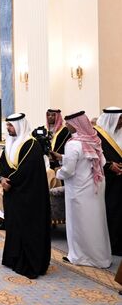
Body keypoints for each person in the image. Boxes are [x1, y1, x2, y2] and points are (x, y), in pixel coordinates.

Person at [55, 111, 112, 268]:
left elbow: (69, 170)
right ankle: (101, 257)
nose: (66, 125)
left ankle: (80, 257)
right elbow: (97, 161)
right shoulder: (94, 140)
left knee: (78, 224)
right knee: (95, 221)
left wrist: (58, 172)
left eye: (68, 123)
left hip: (79, 190)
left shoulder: (73, 144)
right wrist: (62, 158)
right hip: (96, 187)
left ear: (75, 125)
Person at [0, 113, 51, 279]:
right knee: (13, 227)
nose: (8, 128)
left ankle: (28, 262)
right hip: (12, 195)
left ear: (19, 125)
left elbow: (26, 170)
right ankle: (13, 258)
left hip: (28, 196)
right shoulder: (9, 143)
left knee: (27, 229)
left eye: (11, 125)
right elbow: (2, 163)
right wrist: (2, 179)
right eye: (7, 125)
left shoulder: (31, 144)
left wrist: (10, 181)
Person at [94, 106, 122, 255]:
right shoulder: (97, 135)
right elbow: (93, 157)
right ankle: (110, 244)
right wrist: (110, 165)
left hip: (120, 180)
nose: (121, 122)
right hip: (106, 180)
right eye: (120, 119)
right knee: (110, 211)